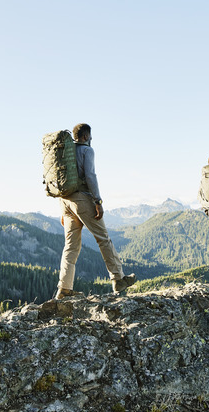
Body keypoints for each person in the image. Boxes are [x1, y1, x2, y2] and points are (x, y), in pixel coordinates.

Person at [55, 123, 136, 299]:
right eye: (90, 136)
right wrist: (98, 200)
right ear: (85, 136)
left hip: (65, 201)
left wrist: (63, 210)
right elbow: (90, 175)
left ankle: (64, 289)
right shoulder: (87, 151)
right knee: (103, 239)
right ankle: (118, 279)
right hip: (82, 199)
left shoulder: (65, 152)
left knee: (70, 246)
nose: (90, 139)